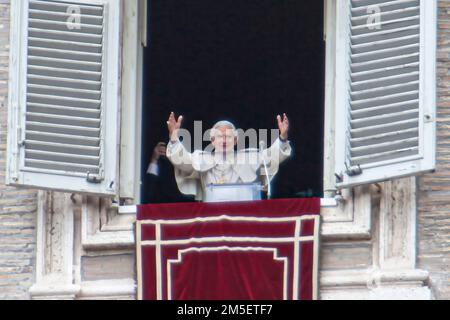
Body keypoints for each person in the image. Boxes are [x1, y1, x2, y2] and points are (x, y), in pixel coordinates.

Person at [165, 112, 292, 201]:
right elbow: (182, 160)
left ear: (236, 141)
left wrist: (282, 138)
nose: (224, 140)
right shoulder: (201, 159)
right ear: (212, 141)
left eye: (228, 137)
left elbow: (271, 158)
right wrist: (174, 138)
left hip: (245, 219)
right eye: (220, 136)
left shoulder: (248, 157)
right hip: (212, 219)